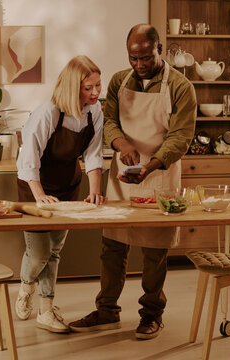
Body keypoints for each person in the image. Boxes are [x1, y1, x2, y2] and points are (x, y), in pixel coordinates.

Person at [69, 24, 197, 340]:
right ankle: (107, 311)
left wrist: (151, 165)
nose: (139, 65)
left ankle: (152, 314)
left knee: (155, 251)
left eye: (145, 58)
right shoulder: (117, 81)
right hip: (122, 177)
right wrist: (122, 146)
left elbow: (181, 136)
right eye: (133, 58)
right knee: (112, 245)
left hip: (161, 174)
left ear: (160, 50)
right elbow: (108, 120)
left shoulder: (181, 87)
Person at [15, 55, 108, 333]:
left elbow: (93, 154)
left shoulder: (94, 111)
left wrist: (94, 192)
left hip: (68, 187)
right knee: (40, 253)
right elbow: (27, 159)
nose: (95, 93)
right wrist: (39, 195)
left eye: (98, 86)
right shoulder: (49, 112)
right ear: (72, 87)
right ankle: (25, 288)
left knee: (55, 251)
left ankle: (46, 310)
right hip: (34, 186)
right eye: (88, 88)